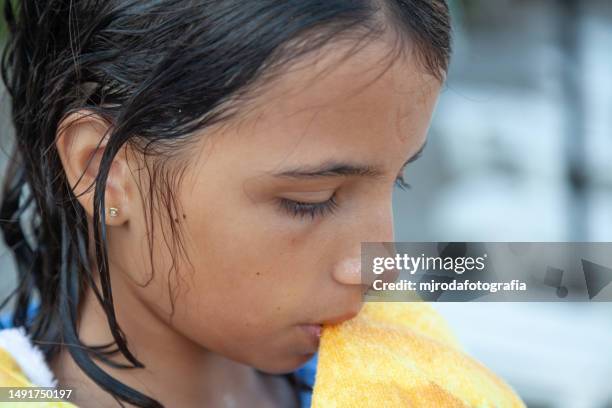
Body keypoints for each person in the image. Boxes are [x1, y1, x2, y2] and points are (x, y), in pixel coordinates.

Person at [0, 1, 451, 407]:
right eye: (310, 201)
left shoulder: (410, 373)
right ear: (103, 171)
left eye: (399, 180)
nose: (381, 267)